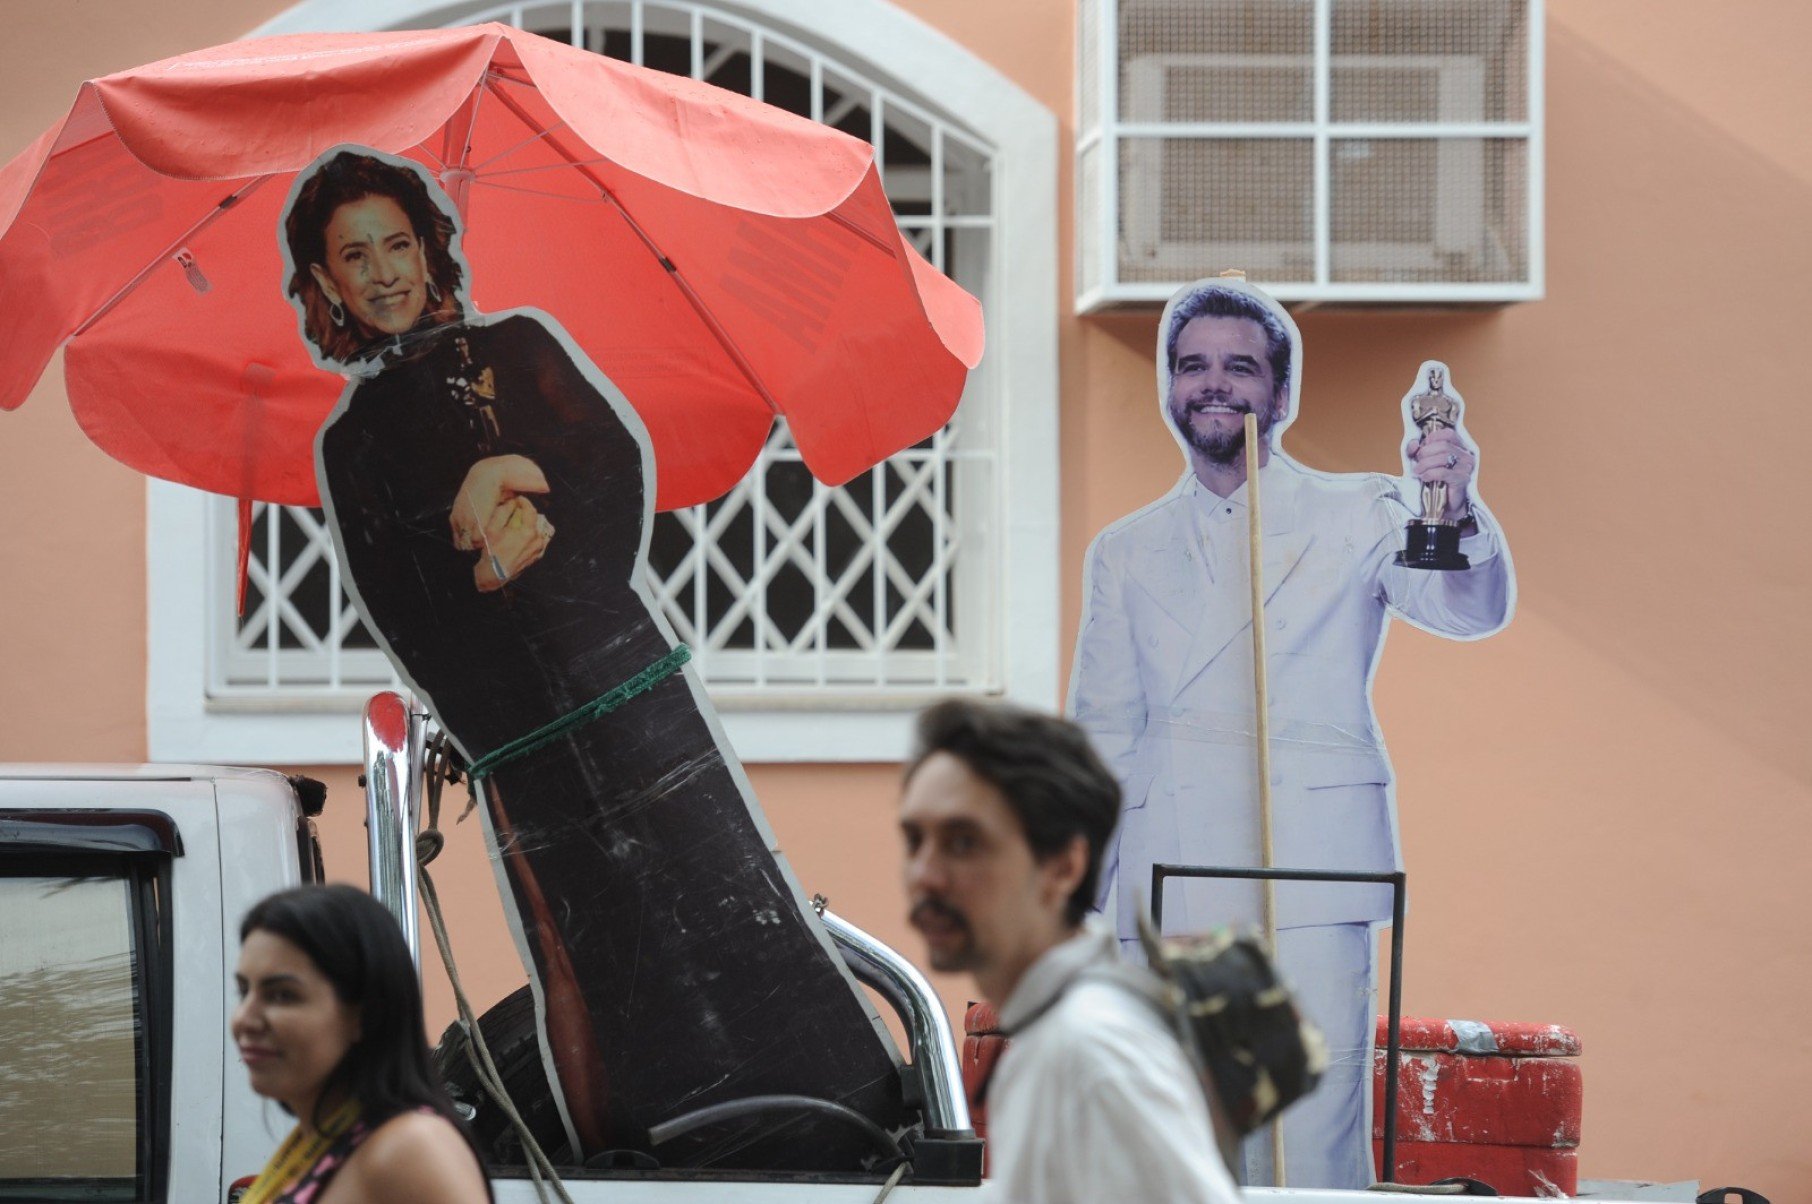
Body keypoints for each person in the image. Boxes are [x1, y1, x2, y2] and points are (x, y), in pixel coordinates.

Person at [281, 147, 905, 1170]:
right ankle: (622, 1158)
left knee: (723, 893)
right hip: (512, 732)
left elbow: (610, 472)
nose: (384, 272)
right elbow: (406, 613)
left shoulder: (521, 347)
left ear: (430, 249)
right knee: (579, 947)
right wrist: (478, 566)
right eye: (356, 257)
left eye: (397, 243)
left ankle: (820, 1125)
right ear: (326, 281)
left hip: (629, 689)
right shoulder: (351, 445)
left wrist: (511, 471)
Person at [1068, 277, 1516, 1187]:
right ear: (1169, 386)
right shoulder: (1124, 549)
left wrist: (1455, 501)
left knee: (1309, 1136)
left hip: (1311, 869)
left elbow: (1466, 609)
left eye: (1241, 367)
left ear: (1281, 393)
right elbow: (1104, 732)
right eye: (1192, 365)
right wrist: (1074, 895)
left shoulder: (1362, 512)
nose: (1213, 384)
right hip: (1169, 876)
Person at [899, 697, 1243, 1204]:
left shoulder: (1089, 1052)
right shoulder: (1052, 1035)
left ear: (1063, 866)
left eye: (963, 842)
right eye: (914, 840)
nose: (924, 874)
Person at [232, 884, 492, 1203]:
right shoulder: (323, 1138)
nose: (244, 1019)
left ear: (365, 1013)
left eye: (282, 995)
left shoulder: (411, 1149)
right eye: (244, 992)